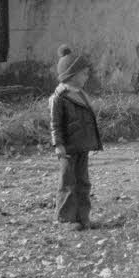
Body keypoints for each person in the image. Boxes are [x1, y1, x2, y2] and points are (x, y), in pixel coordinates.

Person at [49, 44, 103, 231]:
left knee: (83, 182)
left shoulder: (81, 95)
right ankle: (65, 220)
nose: (87, 76)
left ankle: (83, 218)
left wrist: (91, 143)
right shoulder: (60, 97)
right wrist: (58, 144)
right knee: (67, 183)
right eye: (84, 73)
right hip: (69, 148)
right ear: (71, 74)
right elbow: (55, 124)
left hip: (82, 146)